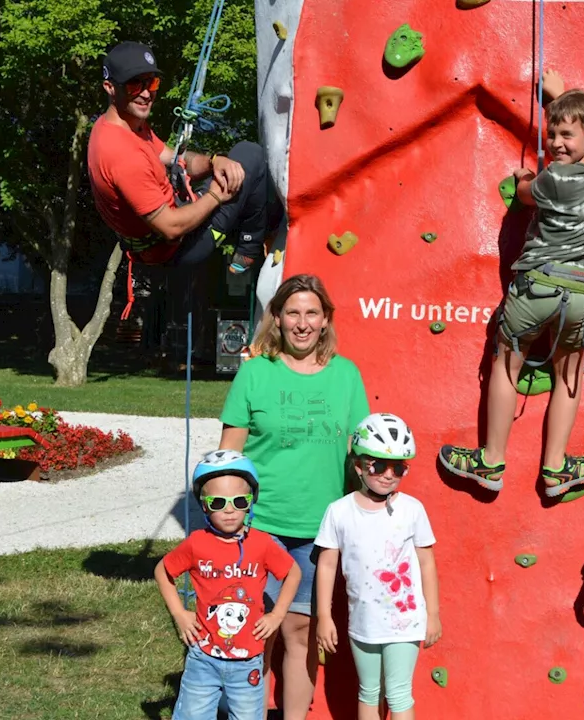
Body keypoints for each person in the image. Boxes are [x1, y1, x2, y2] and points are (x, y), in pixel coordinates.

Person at [439, 70, 584, 499]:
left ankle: (491, 460)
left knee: (505, 365)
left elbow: (524, 192)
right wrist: (560, 98)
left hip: (536, 289)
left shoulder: (553, 180)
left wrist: (521, 180)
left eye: (565, 135)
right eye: (552, 134)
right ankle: (555, 468)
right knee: (569, 373)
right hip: (579, 295)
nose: (554, 143)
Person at [219, 273, 371, 720]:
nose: (302, 323)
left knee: (300, 631)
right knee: (253, 632)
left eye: (311, 313)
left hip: (317, 532)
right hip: (258, 526)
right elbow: (229, 456)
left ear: (325, 320)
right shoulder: (254, 373)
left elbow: (361, 453)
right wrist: (230, 520)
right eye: (293, 313)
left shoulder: (346, 375)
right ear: (278, 319)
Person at [87, 41, 281, 272]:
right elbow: (171, 226)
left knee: (235, 170)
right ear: (109, 87)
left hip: (168, 232)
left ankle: (254, 233)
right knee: (250, 155)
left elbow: (173, 158)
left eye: (152, 82)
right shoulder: (121, 154)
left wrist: (214, 161)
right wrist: (215, 196)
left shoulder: (124, 125)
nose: (146, 93)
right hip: (178, 247)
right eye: (133, 85)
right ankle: (251, 247)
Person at [154, 449, 301, 720]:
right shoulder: (197, 543)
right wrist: (179, 613)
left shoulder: (262, 543)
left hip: (248, 663)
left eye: (239, 500)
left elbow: (292, 573)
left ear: (251, 500)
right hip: (203, 658)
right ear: (205, 504)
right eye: (219, 502)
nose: (230, 510)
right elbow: (163, 571)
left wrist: (277, 614)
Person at [315, 413, 441, 720]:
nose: (388, 474)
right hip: (363, 621)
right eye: (378, 465)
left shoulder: (412, 510)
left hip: (405, 621)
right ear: (359, 466)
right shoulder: (339, 512)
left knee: (398, 694)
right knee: (368, 691)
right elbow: (327, 565)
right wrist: (323, 616)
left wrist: (433, 615)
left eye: (398, 468)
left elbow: (427, 562)